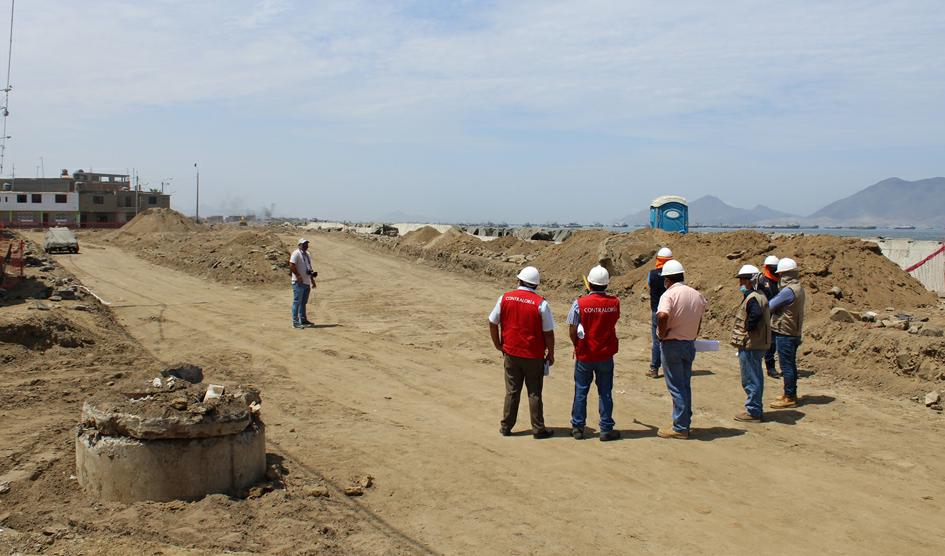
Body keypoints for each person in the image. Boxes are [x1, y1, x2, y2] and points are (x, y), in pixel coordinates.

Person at [488, 266, 555, 439]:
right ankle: (538, 429)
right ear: (536, 285)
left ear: (519, 281)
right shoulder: (541, 304)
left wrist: (498, 344)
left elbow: (492, 322)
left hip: (511, 353)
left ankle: (506, 426)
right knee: (534, 392)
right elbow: (548, 333)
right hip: (534, 356)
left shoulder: (505, 298)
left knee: (512, 391)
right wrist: (551, 353)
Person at [567, 265, 621, 442]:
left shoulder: (579, 303)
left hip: (585, 354)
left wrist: (577, 344)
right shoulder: (615, 302)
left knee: (581, 391)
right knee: (605, 392)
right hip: (605, 354)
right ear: (606, 284)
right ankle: (606, 428)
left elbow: (572, 328)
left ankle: (578, 427)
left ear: (589, 283)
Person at [655, 260, 706, 439]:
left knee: (676, 386)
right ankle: (685, 421)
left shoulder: (669, 295)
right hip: (689, 344)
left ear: (667, 279)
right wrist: (694, 334)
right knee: (684, 384)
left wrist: (662, 334)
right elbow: (699, 318)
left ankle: (680, 427)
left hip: (672, 344)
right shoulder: (696, 295)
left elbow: (662, 315)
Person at [731, 265, 771, 422]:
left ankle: (753, 411)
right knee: (756, 376)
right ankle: (755, 408)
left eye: (742, 280)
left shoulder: (753, 298)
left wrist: (748, 327)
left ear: (750, 281)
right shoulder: (760, 295)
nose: (740, 283)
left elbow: (755, 314)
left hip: (751, 343)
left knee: (750, 378)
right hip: (758, 342)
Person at [769, 258, 806, 409]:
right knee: (790, 364)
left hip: (785, 332)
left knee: (786, 366)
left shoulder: (787, 291)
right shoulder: (799, 288)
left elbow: (770, 305)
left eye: (781, 275)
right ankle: (790, 393)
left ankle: (789, 397)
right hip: (794, 331)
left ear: (785, 275)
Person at [646, 247, 674, 378]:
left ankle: (654, 369)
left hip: (657, 311)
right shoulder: (674, 275)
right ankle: (671, 369)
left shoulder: (652, 274)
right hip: (672, 311)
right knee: (672, 339)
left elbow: (650, 285)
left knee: (657, 340)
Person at [758, 255, 781, 378]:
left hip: (776, 316)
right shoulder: (761, 281)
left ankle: (771, 367)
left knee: (773, 342)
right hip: (764, 315)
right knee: (769, 342)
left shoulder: (779, 282)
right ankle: (769, 367)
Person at [289, 238, 316, 329]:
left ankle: (303, 320)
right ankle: (295, 322)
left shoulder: (307, 254)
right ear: (299, 245)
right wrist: (298, 276)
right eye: (304, 244)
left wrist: (312, 280)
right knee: (297, 302)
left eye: (306, 244)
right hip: (298, 282)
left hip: (306, 282)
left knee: (303, 302)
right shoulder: (296, 253)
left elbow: (309, 267)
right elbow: (291, 265)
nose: (306, 246)